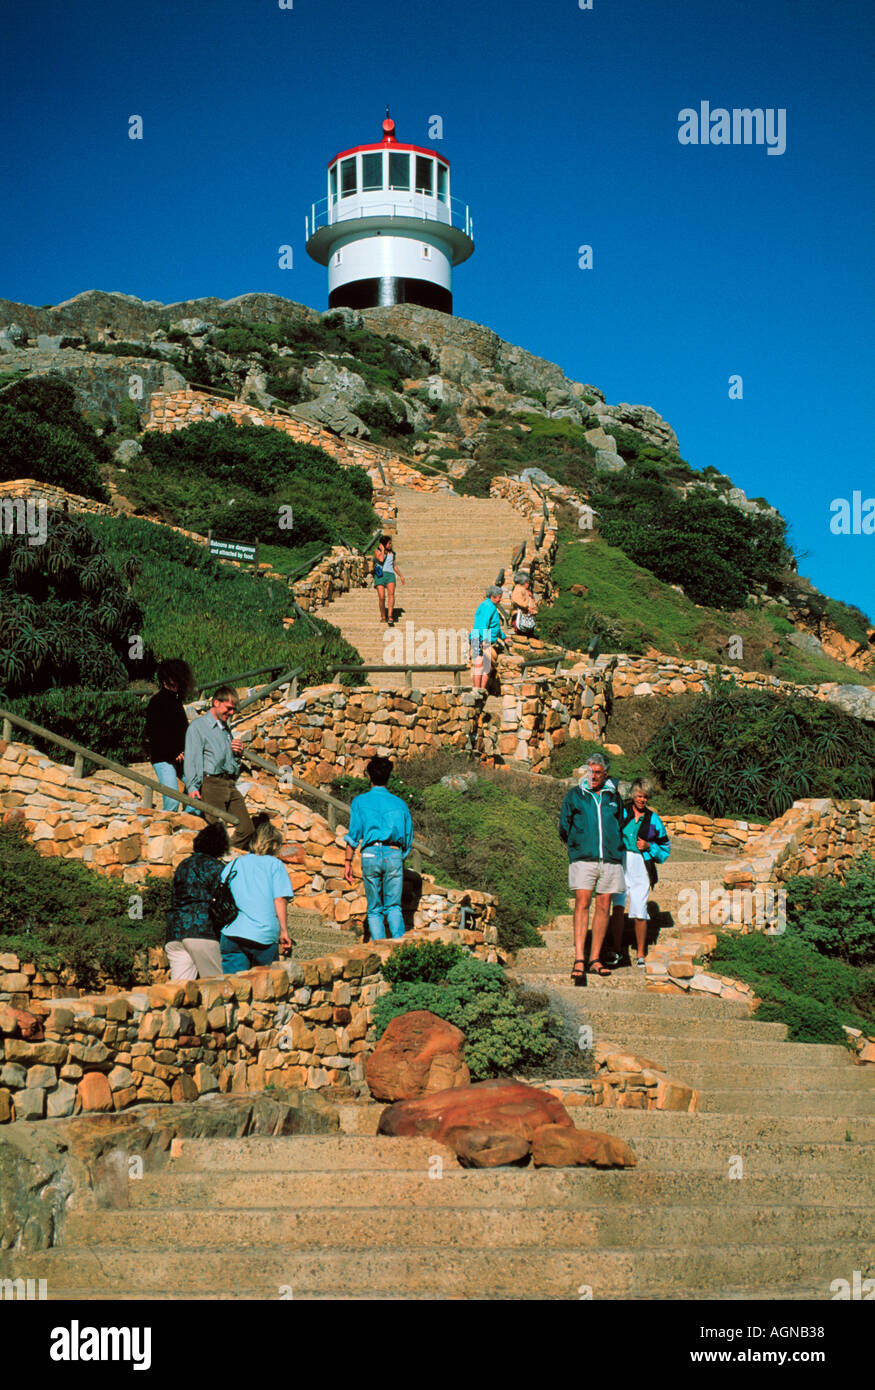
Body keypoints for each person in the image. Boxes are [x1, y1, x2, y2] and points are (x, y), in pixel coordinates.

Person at [558, 753, 625, 983]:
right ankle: (579, 958)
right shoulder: (575, 795)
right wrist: (578, 846)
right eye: (590, 771)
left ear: (606, 774)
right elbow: (564, 827)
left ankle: (595, 958)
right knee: (582, 902)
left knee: (604, 905)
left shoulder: (614, 796)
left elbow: (620, 822)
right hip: (584, 858)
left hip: (609, 859)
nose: (593, 776)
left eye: (598, 773)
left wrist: (614, 845)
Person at [343, 756, 413, 940]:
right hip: (394, 853)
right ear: (388, 776)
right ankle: (398, 949)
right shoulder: (400, 804)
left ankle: (378, 951)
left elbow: (353, 835)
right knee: (394, 906)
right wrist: (398, 855)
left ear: (369, 776)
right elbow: (408, 837)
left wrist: (347, 861)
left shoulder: (360, 801)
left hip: (370, 854)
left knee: (374, 909)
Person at [606, 779, 671, 968]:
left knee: (639, 909)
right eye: (639, 795)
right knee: (618, 907)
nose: (642, 800)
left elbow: (665, 848)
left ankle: (641, 954)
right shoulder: (622, 811)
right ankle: (617, 950)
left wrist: (649, 846)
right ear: (633, 795)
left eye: (645, 797)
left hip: (641, 866)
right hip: (621, 862)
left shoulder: (653, 819)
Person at [219, 818, 295, 972]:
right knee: (264, 990)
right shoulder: (275, 865)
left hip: (232, 932)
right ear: (273, 844)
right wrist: (284, 931)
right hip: (263, 935)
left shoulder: (235, 863)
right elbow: (279, 899)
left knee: (234, 987)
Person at [183, 686, 255, 849]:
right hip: (212, 784)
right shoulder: (198, 727)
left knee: (247, 829)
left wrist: (237, 753)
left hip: (229, 783)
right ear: (216, 702)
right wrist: (193, 786)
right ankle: (216, 862)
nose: (231, 713)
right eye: (228, 708)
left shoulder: (225, 728)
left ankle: (226, 857)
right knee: (216, 832)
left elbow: (228, 760)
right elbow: (193, 759)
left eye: (233, 710)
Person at [164, 822, 229, 980]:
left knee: (180, 992)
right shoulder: (216, 867)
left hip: (175, 932)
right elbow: (224, 901)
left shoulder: (183, 865)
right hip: (203, 931)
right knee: (216, 986)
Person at [146, 659, 193, 811]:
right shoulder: (156, 702)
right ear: (167, 679)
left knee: (196, 793)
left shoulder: (177, 701)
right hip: (163, 757)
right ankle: (164, 830)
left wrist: (185, 750)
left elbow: (183, 730)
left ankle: (188, 826)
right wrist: (174, 753)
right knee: (172, 799)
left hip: (180, 756)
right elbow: (156, 735)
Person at [470, 585, 506, 691]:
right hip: (480, 639)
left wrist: (503, 637)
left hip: (483, 639)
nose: (500, 599)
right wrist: (483, 640)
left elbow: (495, 627)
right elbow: (482, 625)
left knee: (487, 666)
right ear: (493, 597)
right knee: (479, 664)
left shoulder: (490, 606)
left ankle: (481, 690)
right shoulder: (488, 606)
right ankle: (477, 690)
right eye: (499, 597)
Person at [373, 534, 405, 626]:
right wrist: (382, 550)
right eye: (389, 543)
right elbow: (381, 560)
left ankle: (390, 616)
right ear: (384, 544)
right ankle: (383, 616)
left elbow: (394, 566)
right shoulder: (377, 551)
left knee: (391, 595)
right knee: (382, 597)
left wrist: (401, 576)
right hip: (380, 575)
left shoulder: (392, 554)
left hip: (390, 575)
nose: (390, 545)